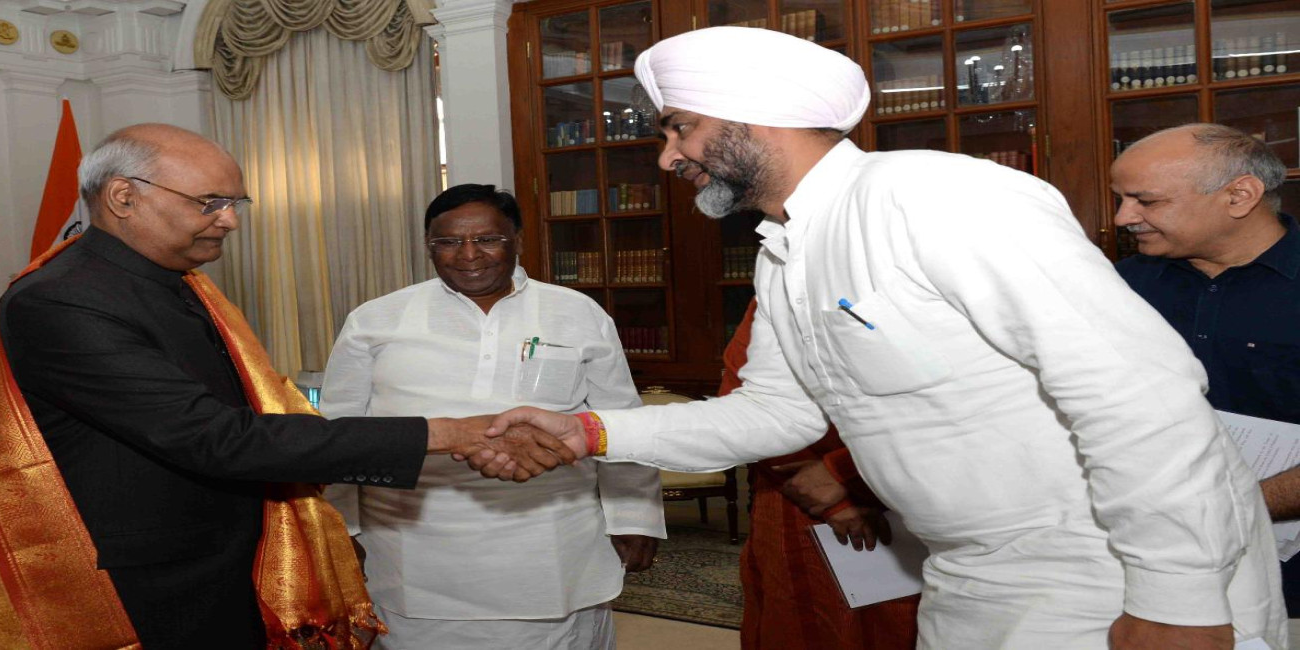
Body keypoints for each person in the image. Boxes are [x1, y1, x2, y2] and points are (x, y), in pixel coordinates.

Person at [486, 26, 1287, 649]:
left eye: (680, 127)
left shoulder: (932, 197)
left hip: (1108, 565)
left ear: (756, 114)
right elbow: (776, 415)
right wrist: (587, 432)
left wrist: (1177, 599)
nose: (669, 157)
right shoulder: (785, 251)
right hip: (968, 570)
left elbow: (1134, 393)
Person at [0, 124, 572, 649]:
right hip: (149, 584)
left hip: (224, 558)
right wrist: (448, 433)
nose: (229, 220)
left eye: (233, 203)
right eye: (210, 202)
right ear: (123, 197)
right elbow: (218, 438)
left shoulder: (175, 284)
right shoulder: (63, 300)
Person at [320, 183, 665, 650]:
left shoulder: (576, 313)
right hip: (415, 553)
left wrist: (635, 517)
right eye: (447, 242)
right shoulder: (376, 320)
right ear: (428, 246)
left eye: (487, 239)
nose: (468, 255)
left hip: (554, 544)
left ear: (517, 239)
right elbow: (340, 435)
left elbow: (619, 422)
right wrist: (343, 530)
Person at [1111, 122, 1300, 614]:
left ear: (1239, 196)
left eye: (1146, 201)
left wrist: (1228, 505)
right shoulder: (1113, 287)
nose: (1123, 217)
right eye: (1121, 199)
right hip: (1145, 578)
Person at [724, 298, 918, 649]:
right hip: (800, 494)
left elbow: (967, 396)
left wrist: (845, 470)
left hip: (927, 481)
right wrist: (830, 492)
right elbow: (744, 399)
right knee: (809, 623)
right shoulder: (781, 285)